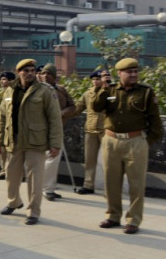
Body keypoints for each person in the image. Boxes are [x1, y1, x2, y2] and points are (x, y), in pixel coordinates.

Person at [92, 58, 162, 234]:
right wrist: (103, 87)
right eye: (129, 72)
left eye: (135, 71)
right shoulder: (110, 89)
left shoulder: (145, 92)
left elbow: (155, 121)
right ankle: (113, 216)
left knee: (136, 183)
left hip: (135, 142)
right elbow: (96, 106)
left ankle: (133, 220)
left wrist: (146, 142)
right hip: (111, 141)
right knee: (111, 182)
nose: (133, 74)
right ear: (120, 74)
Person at [0, 59, 63, 225]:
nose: (30, 73)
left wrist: (55, 143)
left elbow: (54, 118)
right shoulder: (9, 92)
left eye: (32, 70)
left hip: (36, 141)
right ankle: (14, 202)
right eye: (26, 71)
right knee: (11, 175)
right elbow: (2, 118)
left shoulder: (44, 91)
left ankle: (33, 211)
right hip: (14, 140)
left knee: (35, 179)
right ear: (19, 73)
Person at [40, 63, 76, 201]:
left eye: (49, 74)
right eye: (43, 73)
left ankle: (49, 187)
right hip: (43, 129)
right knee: (47, 158)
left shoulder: (61, 90)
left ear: (54, 77)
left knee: (53, 159)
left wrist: (62, 113)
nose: (45, 76)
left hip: (58, 128)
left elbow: (72, 106)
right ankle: (45, 188)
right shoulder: (37, 90)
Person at [72, 70, 106, 194]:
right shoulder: (88, 94)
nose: (96, 81)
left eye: (98, 79)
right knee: (89, 159)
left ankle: (110, 187)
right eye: (94, 79)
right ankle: (88, 185)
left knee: (109, 160)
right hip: (90, 130)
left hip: (106, 131)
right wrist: (63, 113)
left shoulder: (110, 93)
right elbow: (77, 108)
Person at [0, 71, 16, 180]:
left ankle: (18, 173)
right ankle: (3, 170)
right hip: (6, 127)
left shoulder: (18, 91)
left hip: (16, 128)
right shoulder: (5, 93)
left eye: (5, 79)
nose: (2, 82)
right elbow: (1, 115)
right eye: (2, 79)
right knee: (3, 150)